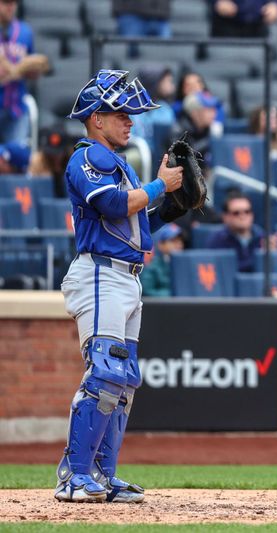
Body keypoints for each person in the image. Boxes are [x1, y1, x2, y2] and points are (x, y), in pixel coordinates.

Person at [56, 69, 184, 503]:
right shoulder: (89, 156)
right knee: (106, 372)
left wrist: (169, 207)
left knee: (124, 378)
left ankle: (102, 476)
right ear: (96, 118)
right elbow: (111, 205)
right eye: (121, 113)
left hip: (125, 277)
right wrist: (158, 185)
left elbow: (133, 224)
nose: (130, 120)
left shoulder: (118, 161)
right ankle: (74, 475)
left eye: (131, 114)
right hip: (98, 274)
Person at [0, 0, 49, 144]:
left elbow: (33, 68)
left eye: (13, 3)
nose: (11, 7)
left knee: (17, 158)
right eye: (6, 3)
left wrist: (31, 69)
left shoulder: (25, 31)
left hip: (16, 108)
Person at [208, 191, 265, 272]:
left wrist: (272, 255)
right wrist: (260, 257)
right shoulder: (217, 239)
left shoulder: (263, 237)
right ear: (225, 217)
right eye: (236, 213)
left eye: (247, 211)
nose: (243, 216)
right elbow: (225, 271)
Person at [131, 66, 176, 155]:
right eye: (168, 81)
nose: (172, 86)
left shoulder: (165, 109)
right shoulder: (131, 109)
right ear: (155, 82)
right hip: (138, 155)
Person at [173, 91, 222, 168]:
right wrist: (211, 141)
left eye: (214, 109)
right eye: (208, 109)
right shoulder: (177, 131)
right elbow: (182, 160)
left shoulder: (209, 130)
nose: (214, 114)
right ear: (194, 113)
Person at [28, 126, 77, 198]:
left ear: (66, 150)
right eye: (51, 153)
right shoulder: (38, 160)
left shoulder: (74, 161)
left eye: (58, 153)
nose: (54, 156)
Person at [140, 223, 183, 297]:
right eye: (173, 240)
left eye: (179, 240)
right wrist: (174, 294)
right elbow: (146, 291)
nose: (178, 244)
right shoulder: (153, 266)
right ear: (161, 245)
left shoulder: (185, 264)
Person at [212, 0, 277, 37]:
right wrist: (216, 2)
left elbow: (275, 5)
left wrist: (275, 4)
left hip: (259, 25)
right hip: (226, 26)